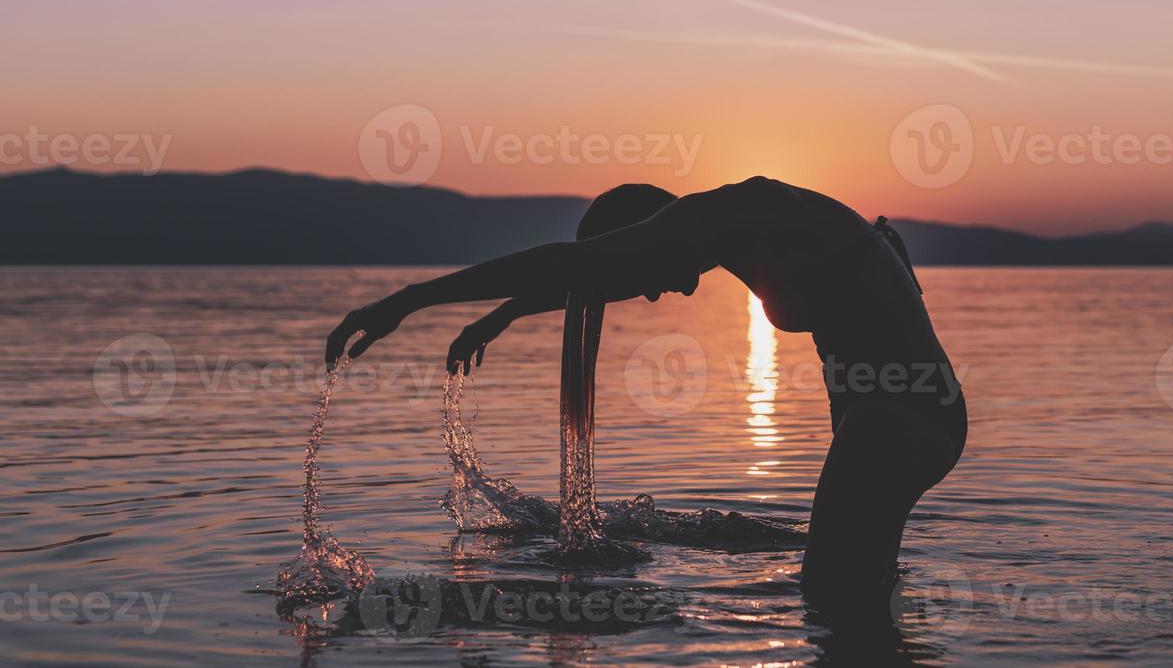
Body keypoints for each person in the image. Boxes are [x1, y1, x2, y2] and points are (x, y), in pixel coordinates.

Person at [325, 176, 967, 600]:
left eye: (642, 267)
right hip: (903, 418)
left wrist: (408, 301)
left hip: (894, 421)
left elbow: (570, 262)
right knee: (867, 600)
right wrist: (510, 312)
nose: (656, 291)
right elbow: (595, 275)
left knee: (831, 605)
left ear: (653, 232)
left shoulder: (742, 211)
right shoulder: (739, 227)